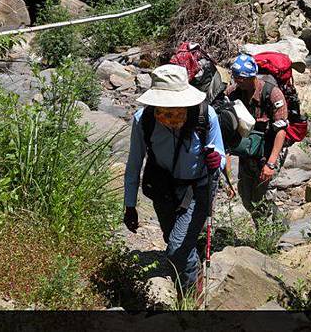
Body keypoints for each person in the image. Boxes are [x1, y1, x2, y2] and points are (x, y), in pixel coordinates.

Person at [123, 64, 225, 293]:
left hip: (197, 188)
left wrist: (217, 160)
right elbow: (134, 164)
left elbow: (221, 154)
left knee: (177, 247)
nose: (172, 115)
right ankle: (191, 274)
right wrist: (130, 205)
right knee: (174, 240)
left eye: (178, 108)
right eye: (166, 109)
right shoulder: (145, 120)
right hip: (163, 189)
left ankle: (190, 299)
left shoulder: (205, 115)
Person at [225, 54, 288, 224]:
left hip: (270, 149)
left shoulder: (272, 93)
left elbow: (281, 130)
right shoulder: (232, 94)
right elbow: (225, 131)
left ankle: (270, 235)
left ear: (253, 76)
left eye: (242, 78)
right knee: (246, 195)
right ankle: (274, 226)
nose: (238, 81)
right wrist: (227, 175)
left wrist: (271, 164)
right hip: (247, 148)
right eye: (236, 77)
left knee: (262, 195)